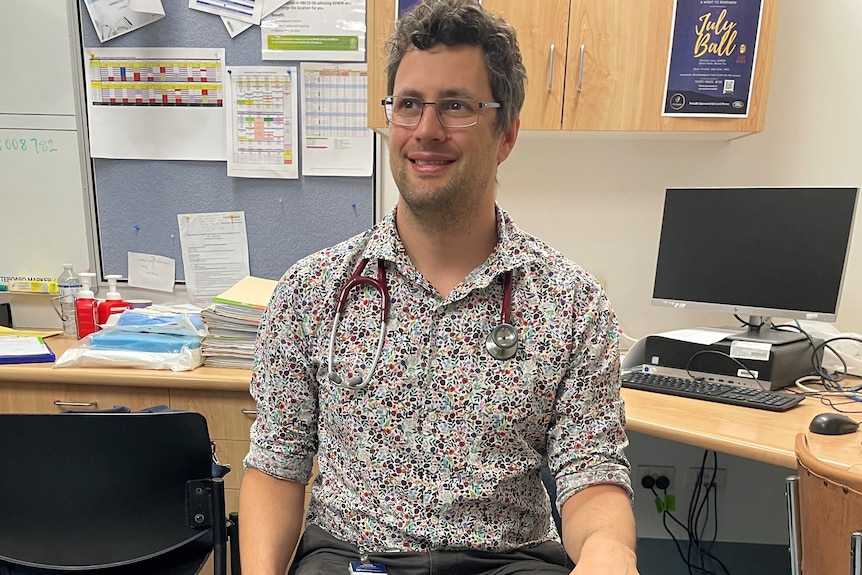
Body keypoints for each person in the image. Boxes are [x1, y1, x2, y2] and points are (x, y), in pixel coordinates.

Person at [239, 0, 639, 573]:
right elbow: (277, 466)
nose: (426, 130)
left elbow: (591, 474)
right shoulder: (313, 291)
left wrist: (608, 550)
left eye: (456, 106)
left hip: (508, 559)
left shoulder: (570, 302)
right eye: (409, 106)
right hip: (356, 559)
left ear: (506, 135)